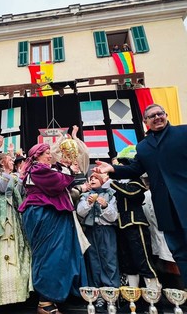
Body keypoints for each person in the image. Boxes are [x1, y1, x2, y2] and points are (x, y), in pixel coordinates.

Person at [93, 103, 187, 289]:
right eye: (152, 116)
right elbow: (135, 169)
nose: (157, 117)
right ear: (145, 122)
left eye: (160, 113)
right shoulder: (143, 147)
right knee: (179, 252)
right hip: (165, 207)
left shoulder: (183, 133)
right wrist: (112, 169)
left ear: (166, 115)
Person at [19, 143, 88, 314]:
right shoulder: (37, 170)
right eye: (47, 153)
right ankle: (45, 302)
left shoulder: (45, 169)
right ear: (36, 156)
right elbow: (58, 183)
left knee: (59, 255)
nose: (50, 156)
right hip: (44, 214)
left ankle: (52, 298)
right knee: (50, 256)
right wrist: (67, 168)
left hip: (51, 214)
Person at [0, 153, 32, 308]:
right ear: (2, 163)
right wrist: (16, 176)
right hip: (0, 219)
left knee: (18, 251)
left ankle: (18, 294)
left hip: (14, 218)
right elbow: (3, 188)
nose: (13, 161)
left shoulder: (12, 176)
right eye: (10, 159)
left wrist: (20, 178)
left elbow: (21, 192)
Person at [110, 155, 160, 291]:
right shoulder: (117, 184)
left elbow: (130, 193)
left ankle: (153, 292)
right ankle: (133, 295)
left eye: (118, 166)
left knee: (142, 257)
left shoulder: (135, 183)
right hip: (121, 225)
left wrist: (110, 182)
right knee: (128, 261)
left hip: (135, 223)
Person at [77, 172, 119, 313]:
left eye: (96, 178)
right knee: (94, 261)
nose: (93, 179)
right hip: (91, 230)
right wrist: (89, 203)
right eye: (92, 178)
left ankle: (111, 295)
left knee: (109, 260)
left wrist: (105, 205)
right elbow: (80, 212)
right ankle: (98, 295)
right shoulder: (85, 196)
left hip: (106, 231)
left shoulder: (111, 195)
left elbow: (113, 216)